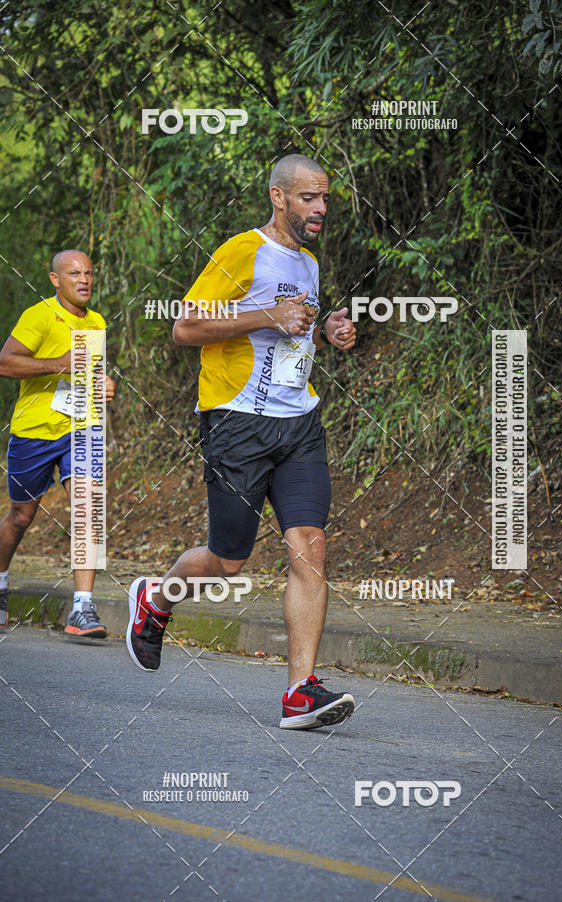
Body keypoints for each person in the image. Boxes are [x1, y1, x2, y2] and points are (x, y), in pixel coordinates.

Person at [126, 153, 357, 730]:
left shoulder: (309, 262)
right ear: (279, 197)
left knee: (311, 545)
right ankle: (157, 597)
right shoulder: (241, 251)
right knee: (228, 559)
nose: (320, 208)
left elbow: (292, 336)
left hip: (298, 422)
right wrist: (266, 315)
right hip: (237, 422)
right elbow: (186, 326)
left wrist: (326, 332)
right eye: (309, 197)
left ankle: (300, 692)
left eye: (325, 198)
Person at [0, 249, 116, 636]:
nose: (83, 280)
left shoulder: (97, 322)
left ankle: (82, 609)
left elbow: (86, 375)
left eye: (88, 273)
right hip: (35, 431)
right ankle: (0, 580)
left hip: (81, 427)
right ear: (55, 280)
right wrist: (57, 363)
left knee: (88, 504)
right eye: (74, 274)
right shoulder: (40, 316)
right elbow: (6, 362)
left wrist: (102, 385)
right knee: (21, 516)